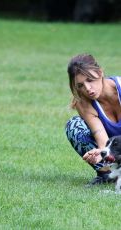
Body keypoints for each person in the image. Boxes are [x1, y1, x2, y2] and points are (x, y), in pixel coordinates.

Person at [65, 54, 121, 186]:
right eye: (80, 85)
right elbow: (102, 139)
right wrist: (101, 153)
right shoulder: (83, 102)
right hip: (115, 152)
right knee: (74, 126)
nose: (88, 89)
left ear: (100, 73)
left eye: (90, 80)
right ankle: (107, 175)